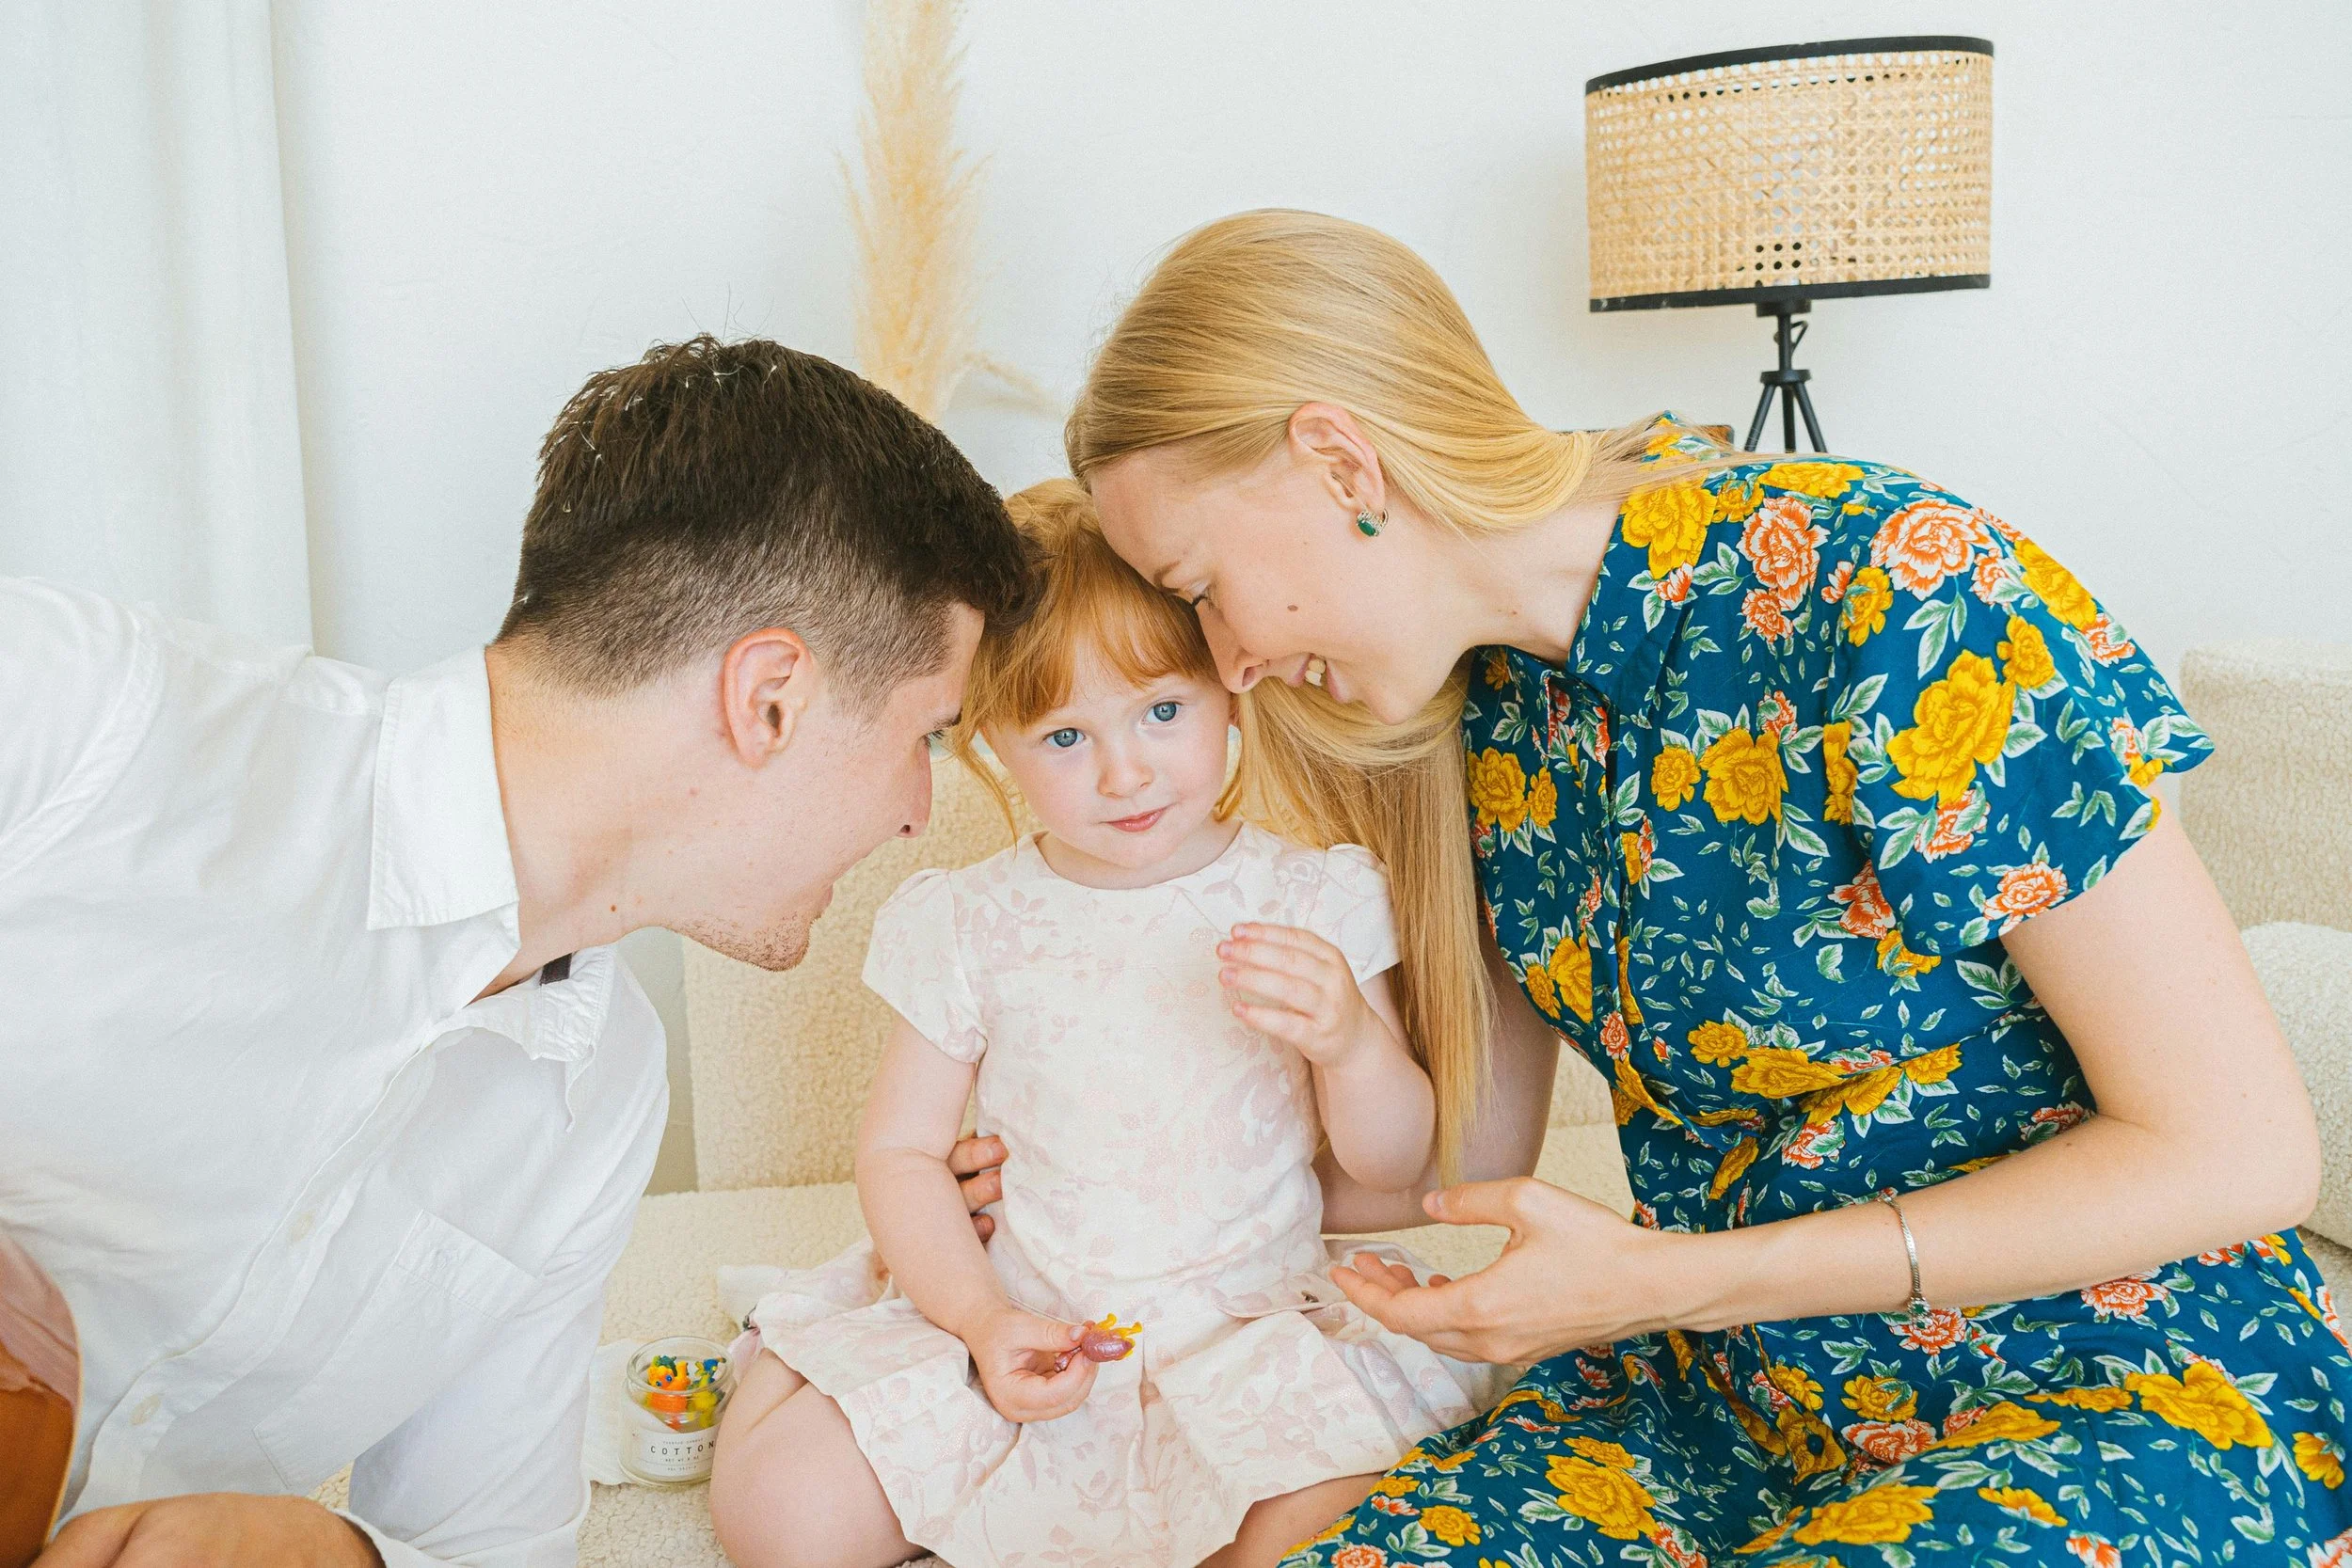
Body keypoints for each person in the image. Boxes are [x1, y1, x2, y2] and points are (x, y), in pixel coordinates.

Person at [1065, 209, 2352, 1564]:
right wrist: (1083, 1169)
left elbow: (2244, 1152)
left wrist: (1678, 1277)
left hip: (2106, 1375)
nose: (1231, 663)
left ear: (1340, 461)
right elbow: (1466, 1164)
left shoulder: (1902, 588)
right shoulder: (1484, 717)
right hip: (1725, 1398)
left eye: (1203, 588)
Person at [1, 336, 1032, 1568]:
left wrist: (342, 1555)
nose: (919, 809)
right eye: (927, 730)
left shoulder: (596, 1101)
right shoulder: (85, 714)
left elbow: (491, 1537)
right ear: (770, 697)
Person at [707, 479, 1510, 1568]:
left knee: (1331, 1525)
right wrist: (981, 1321)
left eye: (1162, 712)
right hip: (1027, 1318)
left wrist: (1354, 1046)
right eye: (1064, 734)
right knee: (781, 1519)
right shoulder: (969, 919)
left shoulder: (1313, 897)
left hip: (1245, 1335)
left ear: (1232, 690)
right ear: (991, 740)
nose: (1124, 770)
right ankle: (813, 1383)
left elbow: (1392, 1156)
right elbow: (899, 1151)